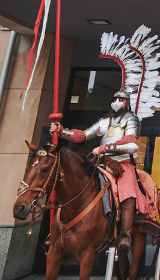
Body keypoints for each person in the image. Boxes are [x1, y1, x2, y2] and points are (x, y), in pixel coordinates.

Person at [51, 86, 144, 253]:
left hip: (123, 164)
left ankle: (125, 235)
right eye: (115, 99)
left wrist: (103, 148)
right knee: (78, 184)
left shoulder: (131, 119)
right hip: (102, 163)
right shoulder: (105, 120)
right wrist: (62, 131)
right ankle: (60, 231)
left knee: (127, 192)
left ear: (127, 103)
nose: (117, 102)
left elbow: (131, 141)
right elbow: (83, 135)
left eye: (121, 100)